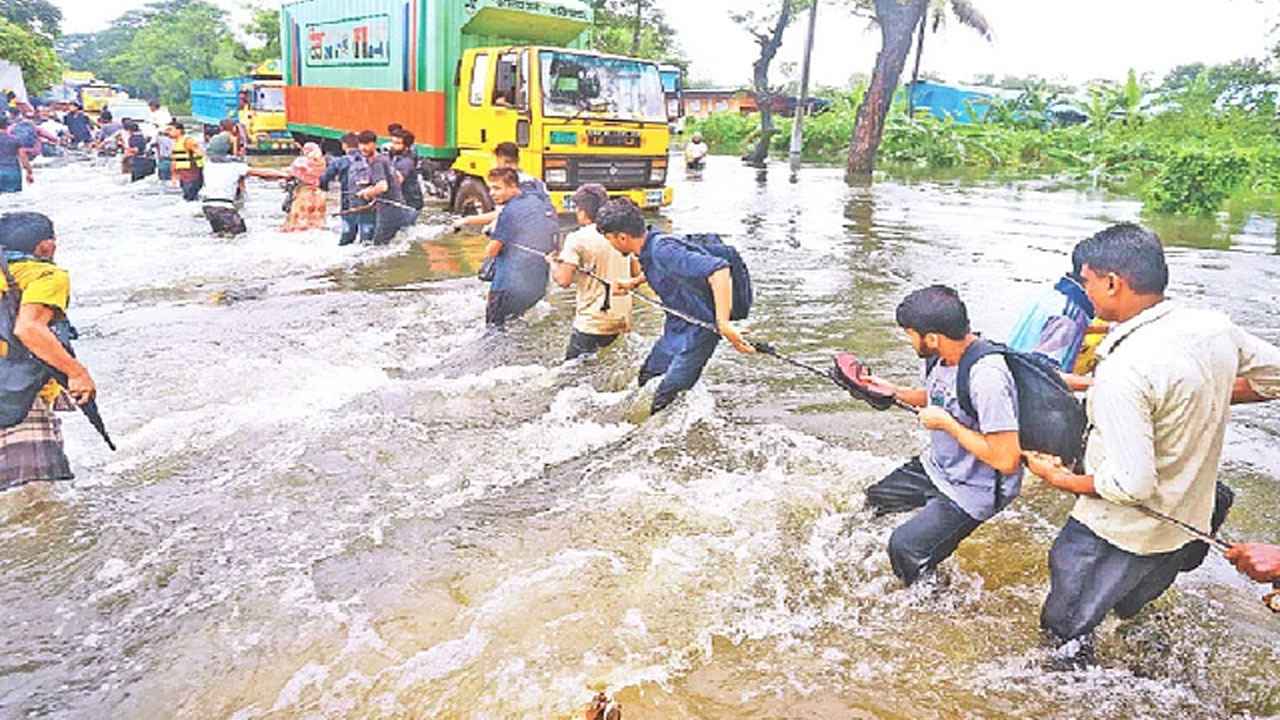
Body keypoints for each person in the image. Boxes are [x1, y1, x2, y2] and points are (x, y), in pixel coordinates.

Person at [1022, 223, 1280, 665]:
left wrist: (1058, 478)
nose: (1086, 293)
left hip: (1116, 532)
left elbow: (1132, 486)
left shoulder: (1126, 369)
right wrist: (1207, 391)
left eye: (1086, 282)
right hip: (1187, 525)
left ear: (1112, 283)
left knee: (1062, 637)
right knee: (1128, 612)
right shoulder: (1211, 326)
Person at [860, 285, 1024, 586]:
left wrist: (948, 424)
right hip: (938, 467)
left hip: (976, 489)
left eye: (910, 333)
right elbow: (940, 395)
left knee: (905, 547)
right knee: (875, 501)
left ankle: (937, 602)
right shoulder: (941, 356)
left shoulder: (987, 377)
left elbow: (1007, 459)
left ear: (932, 337)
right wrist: (892, 391)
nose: (908, 340)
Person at [595, 199, 754, 413]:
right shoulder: (650, 247)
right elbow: (668, 268)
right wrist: (633, 282)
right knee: (648, 376)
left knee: (666, 398)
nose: (610, 245)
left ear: (622, 237)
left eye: (609, 239)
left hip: (701, 328)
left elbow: (719, 270)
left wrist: (723, 324)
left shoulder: (663, 250)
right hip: (678, 323)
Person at [0, 212, 98, 493]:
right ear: (46, 247)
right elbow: (28, 329)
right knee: (35, 498)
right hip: (15, 393)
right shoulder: (46, 275)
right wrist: (78, 374)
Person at [550, 184, 637, 360]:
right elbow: (636, 272)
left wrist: (552, 263)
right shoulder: (621, 234)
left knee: (568, 378)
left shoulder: (577, 238)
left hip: (592, 323)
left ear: (582, 211)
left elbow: (563, 280)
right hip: (622, 319)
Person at [1006, 243, 1101, 380]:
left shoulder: (1051, 296)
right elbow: (1044, 376)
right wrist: (1099, 385)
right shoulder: (1069, 319)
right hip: (1028, 390)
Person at [482, 167, 558, 327]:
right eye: (490, 188)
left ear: (512, 186)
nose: (491, 193)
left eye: (497, 188)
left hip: (507, 287)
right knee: (516, 325)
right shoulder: (540, 202)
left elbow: (492, 250)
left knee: (493, 333)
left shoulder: (510, 212)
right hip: (537, 287)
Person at [452, 142, 549, 232]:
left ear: (499, 160)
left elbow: (501, 215)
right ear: (518, 160)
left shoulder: (510, 184)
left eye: (496, 189)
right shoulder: (537, 182)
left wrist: (467, 220)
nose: (492, 193)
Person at [199, 142, 285, 237]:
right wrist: (284, 175)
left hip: (208, 207)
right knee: (240, 235)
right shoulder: (236, 166)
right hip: (224, 206)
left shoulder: (208, 165)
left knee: (221, 235)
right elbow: (262, 173)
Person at [352, 130, 415, 245]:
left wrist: (367, 192)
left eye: (366, 144)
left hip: (390, 211)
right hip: (400, 208)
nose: (363, 147)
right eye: (361, 144)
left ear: (374, 144)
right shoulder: (385, 158)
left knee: (378, 248)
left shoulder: (377, 162)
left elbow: (382, 187)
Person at [320, 133, 368, 246]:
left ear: (344, 145)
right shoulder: (369, 159)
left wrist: (324, 189)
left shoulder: (340, 161)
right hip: (368, 201)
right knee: (367, 235)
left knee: (347, 235)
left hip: (347, 200)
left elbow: (324, 179)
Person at [281, 143, 329, 232]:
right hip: (318, 195)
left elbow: (291, 172)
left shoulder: (301, 161)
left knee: (295, 225)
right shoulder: (322, 163)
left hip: (303, 193)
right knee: (318, 224)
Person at [388, 128, 425, 211]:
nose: (393, 146)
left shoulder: (407, 162)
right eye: (392, 142)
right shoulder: (393, 155)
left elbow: (397, 181)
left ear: (406, 147)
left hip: (409, 203)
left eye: (397, 143)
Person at [169, 122, 205, 202]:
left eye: (170, 130)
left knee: (190, 197)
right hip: (183, 175)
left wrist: (199, 169)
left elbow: (200, 154)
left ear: (179, 130)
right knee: (187, 197)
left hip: (191, 174)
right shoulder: (177, 142)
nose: (168, 132)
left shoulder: (188, 141)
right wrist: (174, 175)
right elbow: (175, 160)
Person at [0, 116, 34, 193]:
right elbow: (23, 157)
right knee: (13, 199)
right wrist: (29, 172)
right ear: (7, 126)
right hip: (13, 173)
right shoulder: (15, 140)